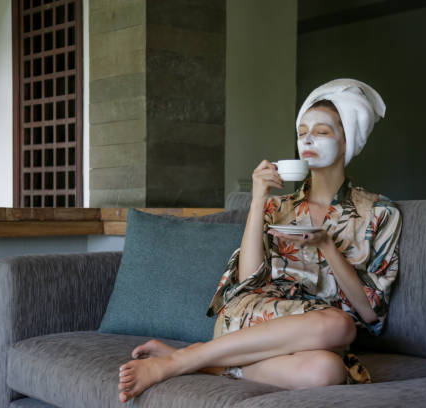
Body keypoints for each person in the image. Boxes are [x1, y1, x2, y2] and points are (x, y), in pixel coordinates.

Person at [117, 78, 403, 404]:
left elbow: (369, 313)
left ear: (346, 140)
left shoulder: (380, 212)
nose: (308, 139)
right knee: (339, 325)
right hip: (251, 318)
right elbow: (247, 279)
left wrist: (326, 245)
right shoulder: (276, 207)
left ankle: (211, 364)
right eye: (302, 132)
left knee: (327, 371)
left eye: (321, 132)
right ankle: (178, 361)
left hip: (317, 340)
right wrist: (257, 199)